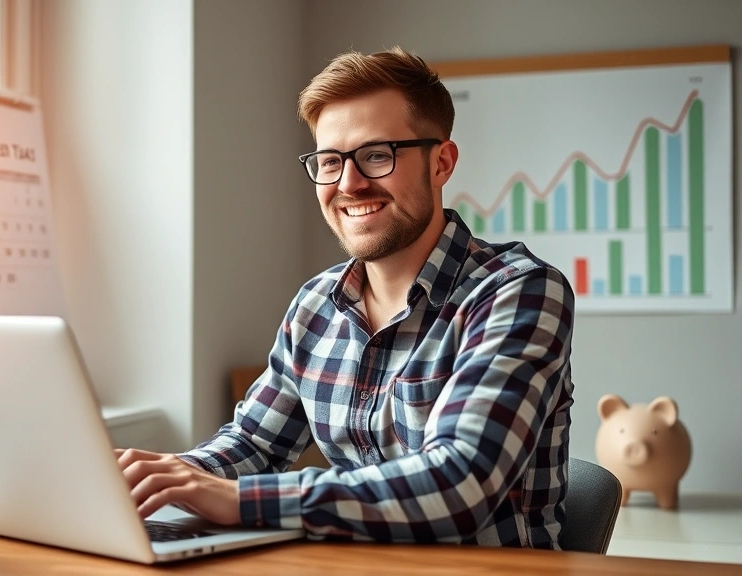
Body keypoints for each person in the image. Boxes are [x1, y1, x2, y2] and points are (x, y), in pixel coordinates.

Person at [116, 46, 575, 549]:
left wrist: (242, 500)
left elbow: (461, 483)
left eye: (377, 155)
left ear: (441, 162)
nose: (349, 184)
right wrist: (165, 478)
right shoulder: (315, 304)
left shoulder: (519, 290)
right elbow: (253, 445)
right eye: (330, 161)